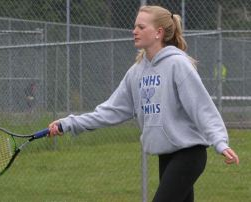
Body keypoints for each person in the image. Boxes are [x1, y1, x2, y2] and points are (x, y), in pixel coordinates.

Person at [48, 5, 239, 202]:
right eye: (134, 26)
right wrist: (68, 123)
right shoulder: (136, 72)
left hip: (189, 155)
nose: (134, 31)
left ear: (158, 33)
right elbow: (110, 111)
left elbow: (201, 107)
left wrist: (220, 142)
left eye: (141, 27)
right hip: (166, 155)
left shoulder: (178, 65)